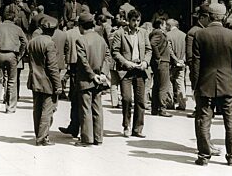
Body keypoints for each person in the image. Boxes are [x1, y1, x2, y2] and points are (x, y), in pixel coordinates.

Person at [192, 3, 232, 166]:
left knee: (204, 120)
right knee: (230, 122)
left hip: (205, 84)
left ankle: (204, 156)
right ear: (222, 17)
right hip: (227, 83)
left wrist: (195, 85)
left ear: (209, 16)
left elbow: (195, 64)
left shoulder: (200, 35)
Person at [112, 9, 152, 138]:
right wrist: (125, 62)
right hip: (126, 71)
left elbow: (148, 49)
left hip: (140, 69)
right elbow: (115, 51)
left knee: (140, 100)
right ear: (128, 21)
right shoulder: (120, 33)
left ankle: (138, 128)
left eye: (138, 21)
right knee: (127, 99)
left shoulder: (143, 33)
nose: (136, 23)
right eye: (133, 21)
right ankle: (126, 125)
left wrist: (146, 62)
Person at [74, 13, 110, 147]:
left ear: (81, 26)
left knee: (85, 109)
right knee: (97, 108)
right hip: (100, 79)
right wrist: (103, 74)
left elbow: (83, 61)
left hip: (86, 80)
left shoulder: (81, 40)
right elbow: (107, 57)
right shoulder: (101, 39)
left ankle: (86, 139)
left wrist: (91, 75)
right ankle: (98, 138)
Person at [27, 17, 61, 146]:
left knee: (37, 109)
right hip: (47, 81)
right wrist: (58, 85)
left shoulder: (32, 42)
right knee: (47, 110)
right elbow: (52, 67)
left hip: (34, 79)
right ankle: (42, 138)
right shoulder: (50, 43)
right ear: (53, 31)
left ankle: (38, 134)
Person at [0, 10, 27, 114]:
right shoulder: (17, 28)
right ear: (14, 18)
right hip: (12, 55)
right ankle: (10, 107)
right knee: (12, 81)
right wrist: (20, 54)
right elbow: (25, 42)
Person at [149, 18, 181, 117]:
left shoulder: (157, 33)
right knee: (164, 86)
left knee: (157, 85)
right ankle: (162, 108)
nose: (166, 26)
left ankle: (155, 108)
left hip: (161, 61)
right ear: (160, 25)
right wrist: (158, 56)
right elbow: (153, 43)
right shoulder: (158, 33)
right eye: (164, 24)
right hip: (162, 62)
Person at [186, 6, 210, 118]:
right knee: (197, 87)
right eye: (208, 18)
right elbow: (189, 53)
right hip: (197, 65)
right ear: (201, 18)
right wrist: (192, 65)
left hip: (206, 65)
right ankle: (198, 108)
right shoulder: (193, 32)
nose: (209, 21)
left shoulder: (205, 30)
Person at [166, 19, 187, 111]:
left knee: (169, 83)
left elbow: (169, 50)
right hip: (182, 63)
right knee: (180, 83)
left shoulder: (167, 35)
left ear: (169, 26)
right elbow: (187, 49)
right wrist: (182, 60)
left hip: (171, 64)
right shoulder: (184, 35)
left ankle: (170, 103)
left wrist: (175, 60)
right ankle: (182, 104)